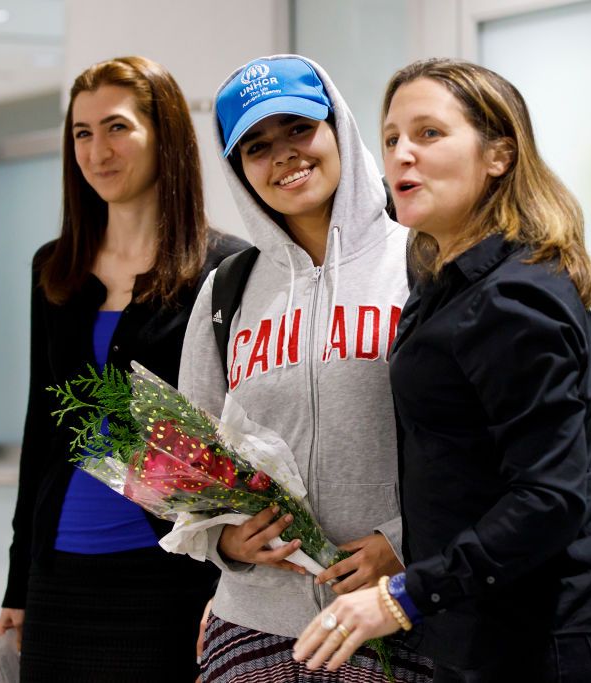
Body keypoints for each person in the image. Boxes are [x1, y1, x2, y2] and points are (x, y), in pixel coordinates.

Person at [293, 58, 591, 682]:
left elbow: (550, 498)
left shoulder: (514, 297)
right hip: (485, 626)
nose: (401, 154)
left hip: (559, 638)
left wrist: (403, 594)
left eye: (429, 134)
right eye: (390, 139)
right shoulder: (444, 279)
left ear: (499, 156)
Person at [177, 55, 433, 682]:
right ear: (240, 170)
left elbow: (475, 443)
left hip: (398, 613)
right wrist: (224, 541)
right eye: (258, 146)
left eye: (299, 128)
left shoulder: (423, 260)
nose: (285, 155)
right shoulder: (226, 292)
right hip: (254, 626)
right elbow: (190, 452)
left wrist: (408, 545)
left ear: (338, 127)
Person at [0, 56, 245, 681]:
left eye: (116, 128)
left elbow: (234, 434)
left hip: (167, 575)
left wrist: (228, 587)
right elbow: (43, 428)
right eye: (81, 133)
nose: (97, 151)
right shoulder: (54, 270)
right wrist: (18, 579)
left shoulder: (226, 269)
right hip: (58, 573)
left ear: (164, 136)